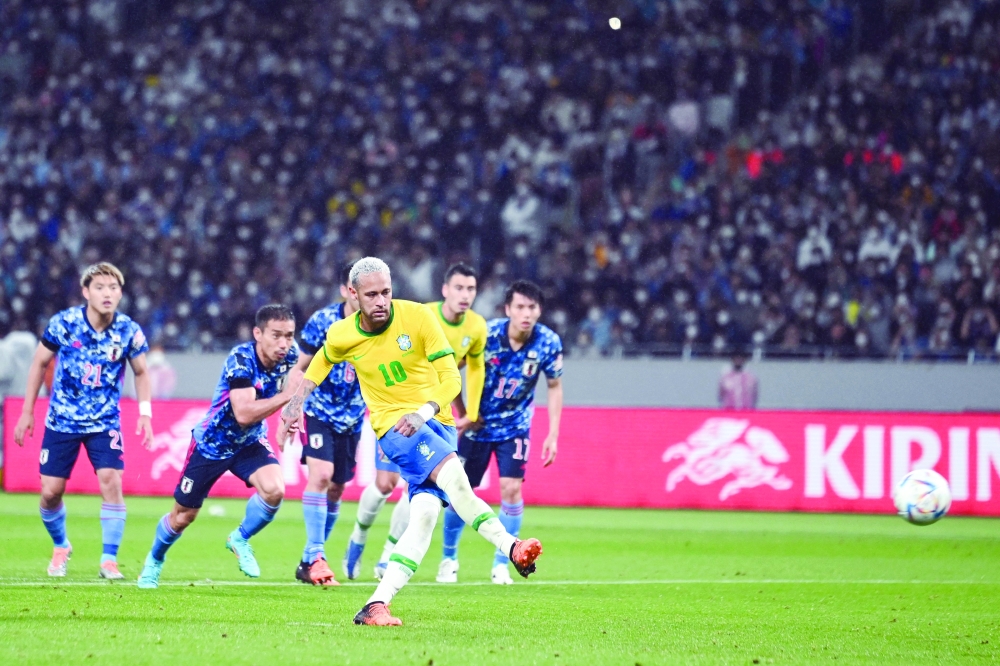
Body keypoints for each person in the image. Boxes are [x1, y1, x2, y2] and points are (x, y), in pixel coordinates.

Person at [278, 257, 542, 626]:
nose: (381, 301)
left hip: (436, 423)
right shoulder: (342, 333)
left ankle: (375, 605)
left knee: (425, 518)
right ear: (353, 295)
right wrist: (295, 402)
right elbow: (322, 360)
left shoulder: (417, 317)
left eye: (386, 292)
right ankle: (510, 547)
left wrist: (425, 410)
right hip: (395, 429)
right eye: (371, 295)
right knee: (456, 482)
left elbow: (451, 380)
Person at [136, 305, 301, 589]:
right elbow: (244, 413)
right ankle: (154, 560)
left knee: (275, 490)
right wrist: (287, 398)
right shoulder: (241, 360)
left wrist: (291, 413)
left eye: (289, 335)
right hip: (212, 444)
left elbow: (294, 385)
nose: (284, 343)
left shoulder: (291, 356)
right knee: (183, 517)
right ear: (258, 334)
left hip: (248, 442)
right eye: (277, 335)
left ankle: (240, 538)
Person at [344, 262, 488, 581]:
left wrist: (471, 413)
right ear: (445, 290)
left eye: (472, 289)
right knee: (384, 484)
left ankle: (386, 556)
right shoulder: (421, 315)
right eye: (459, 288)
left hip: (436, 415)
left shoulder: (477, 328)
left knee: (419, 485)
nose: (465, 296)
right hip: (398, 412)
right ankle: (358, 536)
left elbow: (472, 370)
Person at [13, 262, 153, 580]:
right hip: (62, 419)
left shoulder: (128, 330)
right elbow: (39, 363)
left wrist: (145, 413)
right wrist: (27, 411)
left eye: (113, 288)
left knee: (111, 482)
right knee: (50, 492)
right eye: (100, 287)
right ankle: (61, 545)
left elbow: (142, 372)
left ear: (120, 293)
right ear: (86, 292)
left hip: (104, 421)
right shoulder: (64, 323)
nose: (107, 293)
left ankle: (109, 560)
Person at [437, 279, 563, 585]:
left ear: (539, 310)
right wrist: (465, 412)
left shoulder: (548, 342)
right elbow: (453, 369)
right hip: (478, 428)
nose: (526, 313)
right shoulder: (487, 334)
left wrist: (553, 434)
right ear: (507, 309)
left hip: (515, 428)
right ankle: (449, 559)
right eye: (519, 307)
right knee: (459, 493)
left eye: (532, 307)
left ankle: (503, 562)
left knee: (511, 489)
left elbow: (555, 385)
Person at [291, 264, 365, 586]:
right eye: (354, 286)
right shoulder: (322, 321)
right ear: (345, 290)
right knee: (320, 477)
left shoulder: (381, 325)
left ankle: (308, 561)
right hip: (320, 411)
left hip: (354, 417)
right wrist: (294, 405)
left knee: (336, 488)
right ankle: (318, 556)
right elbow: (300, 367)